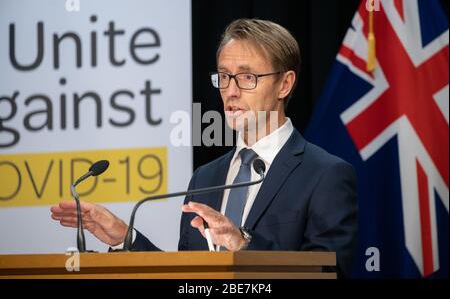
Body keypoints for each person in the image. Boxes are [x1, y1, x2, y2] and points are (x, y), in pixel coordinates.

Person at [51, 18, 358, 278]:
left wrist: (243, 244)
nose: (231, 91)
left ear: (284, 84)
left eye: (247, 77)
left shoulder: (325, 174)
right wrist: (124, 237)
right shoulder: (205, 177)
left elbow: (330, 273)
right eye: (224, 77)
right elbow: (186, 274)